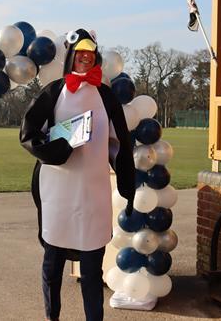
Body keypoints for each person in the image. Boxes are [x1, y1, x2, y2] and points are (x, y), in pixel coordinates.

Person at [20, 28, 135, 321]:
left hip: (92, 192)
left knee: (92, 269)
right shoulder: (54, 92)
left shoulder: (106, 96)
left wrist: (127, 187)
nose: (84, 60)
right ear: (70, 56)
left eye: (89, 55)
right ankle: (52, 316)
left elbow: (120, 142)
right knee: (52, 264)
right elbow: (30, 134)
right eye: (79, 54)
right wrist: (59, 145)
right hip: (58, 191)